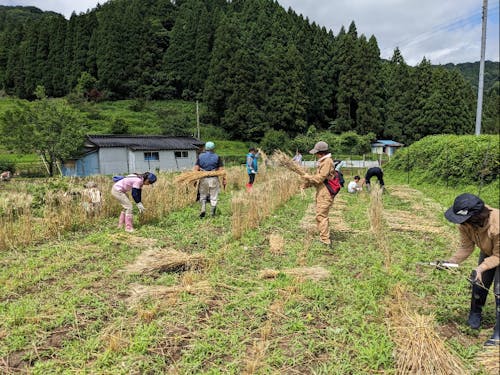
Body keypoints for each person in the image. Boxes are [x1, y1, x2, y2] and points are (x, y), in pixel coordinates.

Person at [444, 193, 499, 346]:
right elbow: (466, 247)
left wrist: (481, 267)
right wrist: (451, 262)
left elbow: (498, 255)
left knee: (499, 289)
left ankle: (498, 332)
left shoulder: (497, 225)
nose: (461, 224)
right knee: (478, 282)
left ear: (476, 217)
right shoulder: (465, 224)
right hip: (490, 251)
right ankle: (475, 313)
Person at [301, 141, 336, 248]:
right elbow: (318, 178)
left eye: (316, 153)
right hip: (321, 192)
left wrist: (308, 177)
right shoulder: (323, 161)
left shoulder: (327, 162)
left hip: (325, 193)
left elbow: (320, 178)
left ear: (321, 152)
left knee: (321, 215)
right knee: (320, 215)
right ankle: (323, 236)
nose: (315, 155)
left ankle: (325, 241)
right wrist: (306, 185)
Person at [194, 141, 225, 218]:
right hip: (214, 178)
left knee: (203, 195)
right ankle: (212, 213)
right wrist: (224, 180)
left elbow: (196, 169)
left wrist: (194, 180)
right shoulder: (217, 157)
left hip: (203, 178)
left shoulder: (200, 156)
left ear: (205, 148)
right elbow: (221, 170)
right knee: (214, 196)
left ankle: (203, 209)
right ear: (213, 148)